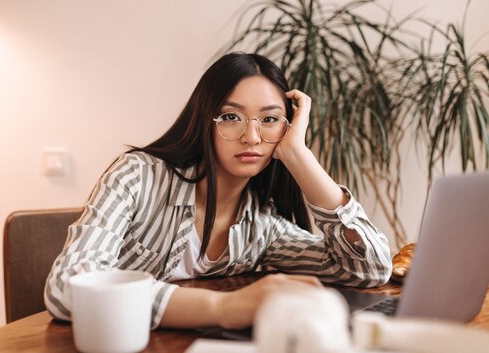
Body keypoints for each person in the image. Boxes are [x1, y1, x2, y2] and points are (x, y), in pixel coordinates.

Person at [44, 52, 392, 330]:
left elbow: (370, 268)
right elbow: (68, 286)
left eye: (270, 120)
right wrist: (222, 306)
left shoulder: (261, 227)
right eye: (231, 117)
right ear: (204, 119)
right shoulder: (138, 176)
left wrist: (300, 156)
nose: (252, 137)